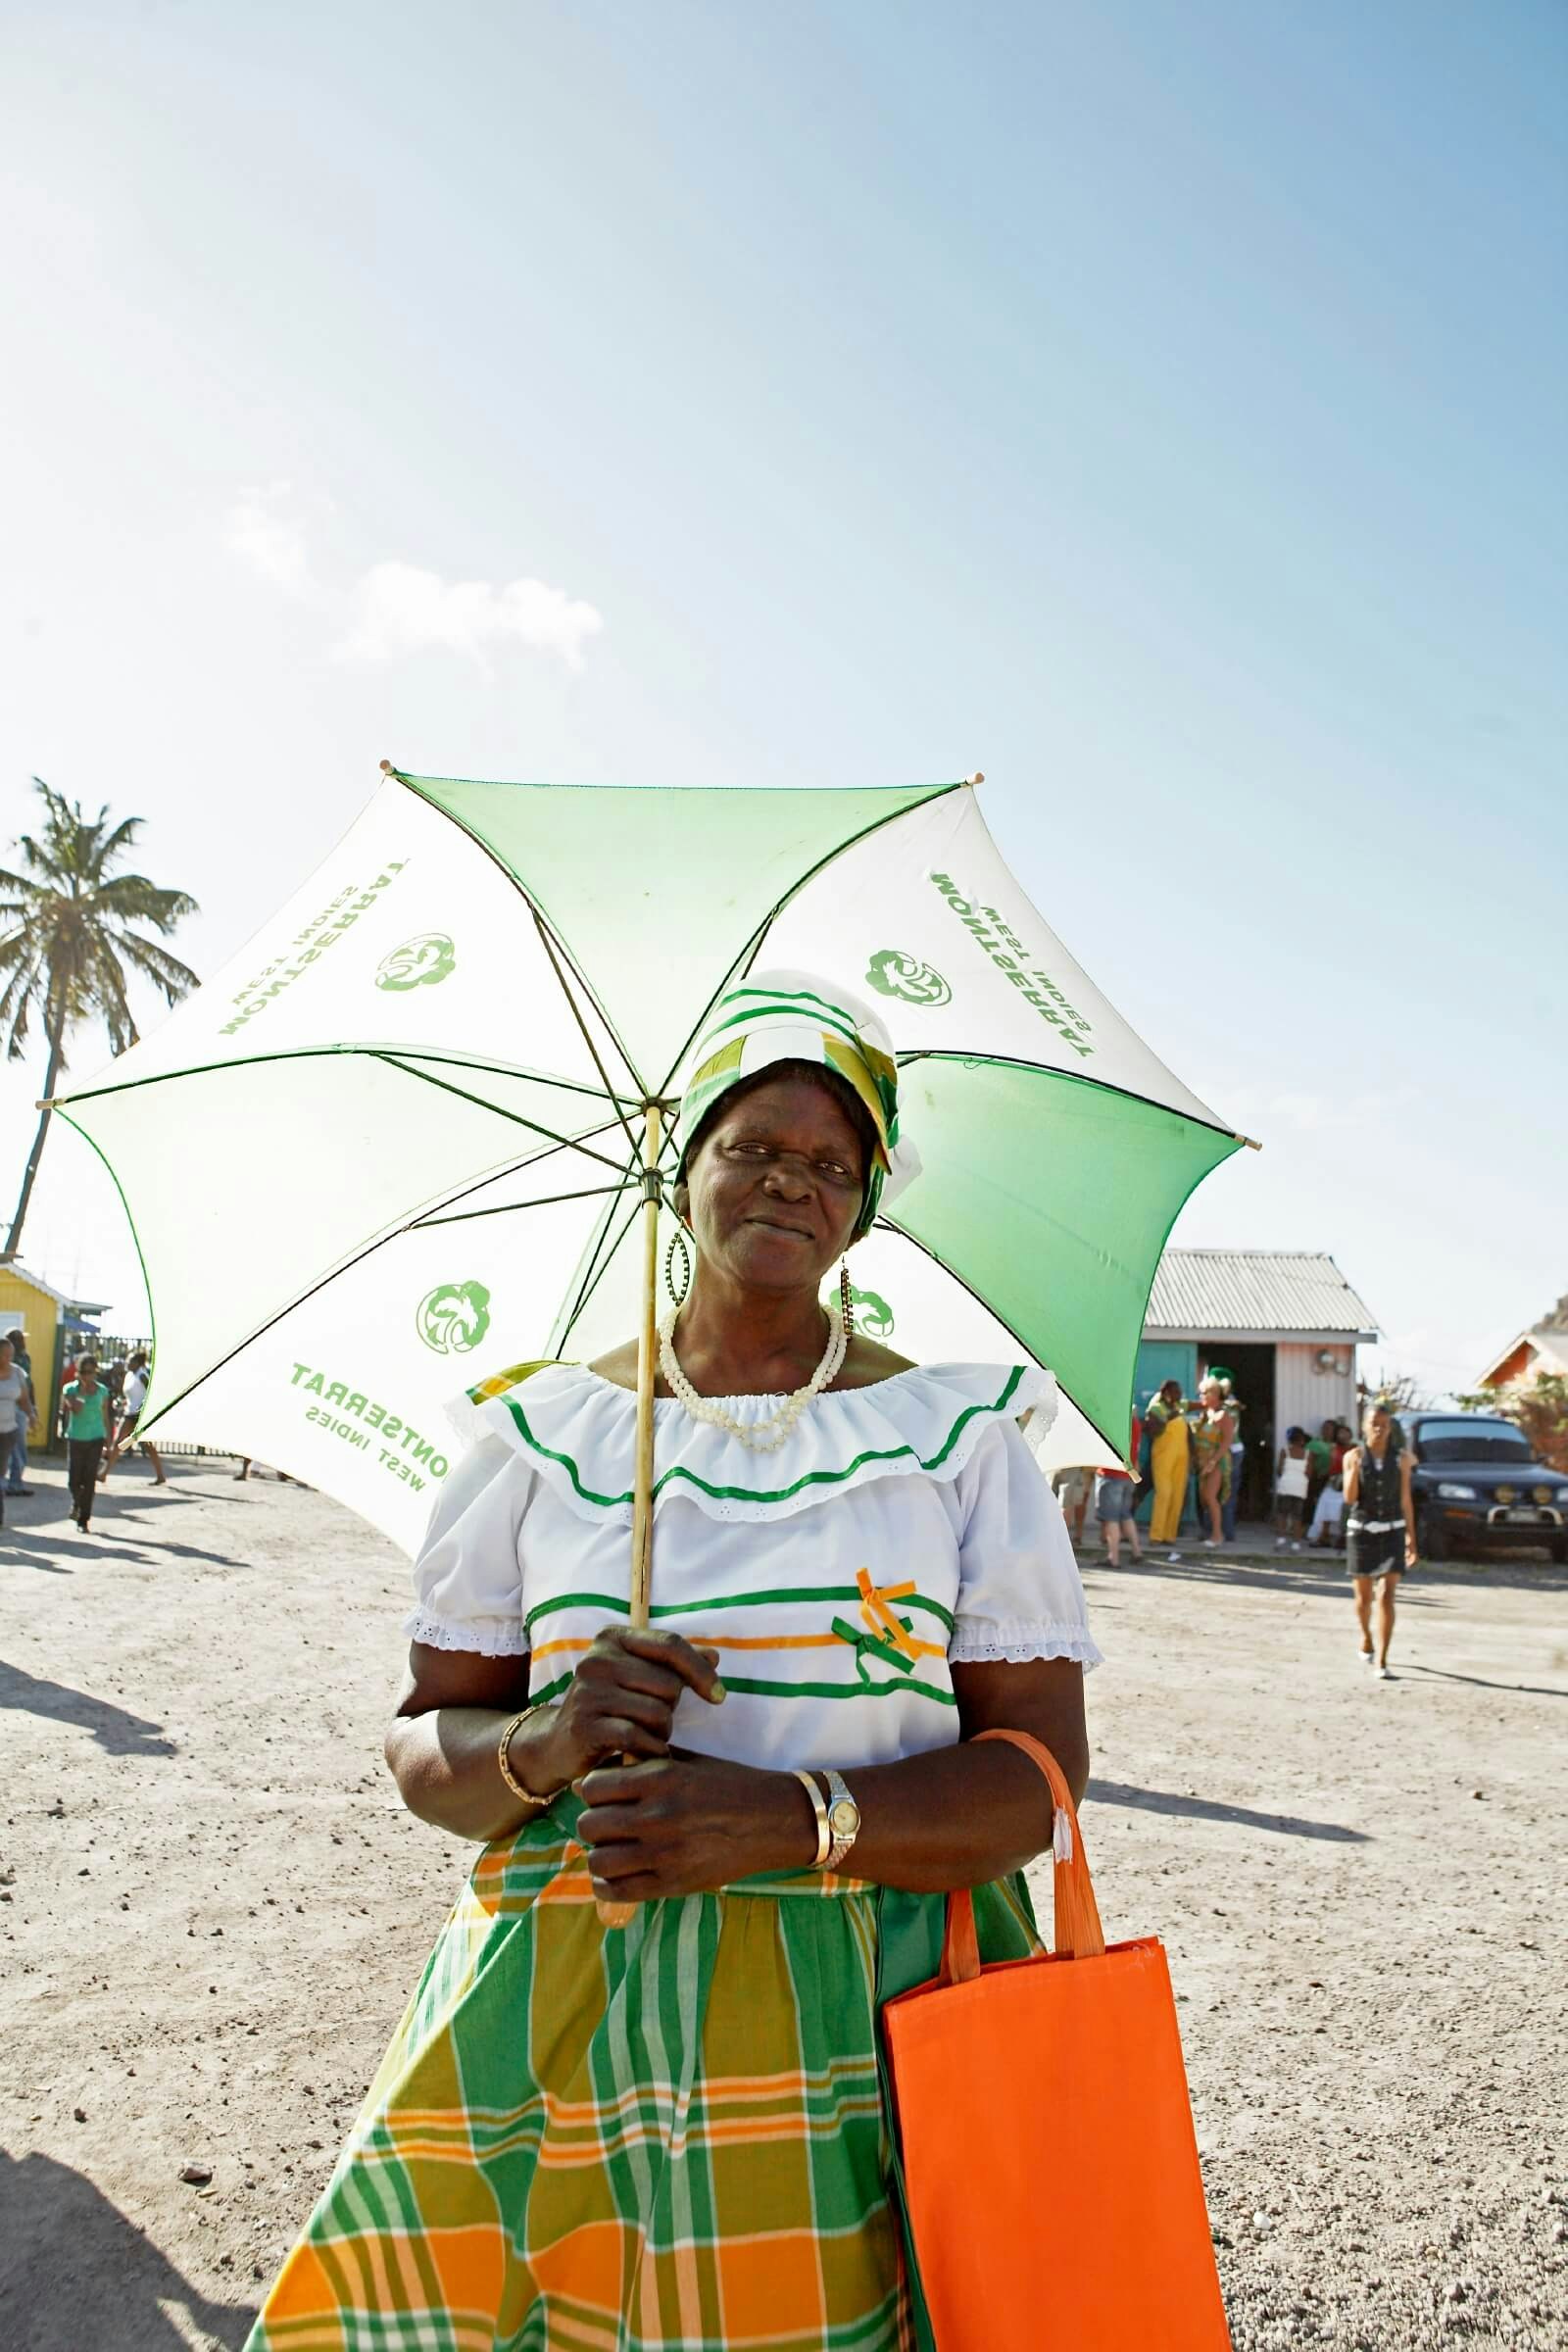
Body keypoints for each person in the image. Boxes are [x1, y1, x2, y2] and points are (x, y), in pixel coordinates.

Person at [245, 967, 1099, 2348]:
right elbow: (424, 1752)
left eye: (833, 1161)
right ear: (682, 1168)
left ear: (867, 1204)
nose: (792, 1182)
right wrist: (550, 1740)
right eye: (754, 1145)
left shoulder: (957, 1440)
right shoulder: (542, 1435)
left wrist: (780, 1820)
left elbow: (1040, 1778)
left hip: (860, 2017)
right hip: (562, 1999)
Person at [1344, 1400, 1416, 1678]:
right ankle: (1366, 1637)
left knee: (1387, 1593)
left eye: (1384, 1425)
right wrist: (1354, 1468)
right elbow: (1349, 1499)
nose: (1379, 1429)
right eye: (1374, 1423)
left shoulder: (1401, 1459)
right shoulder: (1353, 1456)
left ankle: (1383, 1660)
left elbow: (1405, 1499)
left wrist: (1412, 1538)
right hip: (1361, 1529)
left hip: (1392, 1529)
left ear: (1390, 1429)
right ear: (1363, 1425)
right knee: (1363, 1599)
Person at [100, 1350, 168, 1485]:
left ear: (137, 1363)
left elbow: (151, 1391)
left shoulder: (142, 1375)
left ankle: (160, 1475)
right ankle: (104, 1474)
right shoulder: (129, 1375)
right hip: (129, 1413)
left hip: (139, 1415)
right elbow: (129, 1393)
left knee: (146, 1446)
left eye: (130, 1360)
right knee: (120, 1443)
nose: (127, 1363)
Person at [61, 1354, 112, 1531]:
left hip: (96, 1438)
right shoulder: (70, 1390)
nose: (86, 1376)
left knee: (89, 1480)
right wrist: (82, 1391)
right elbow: (77, 1409)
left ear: (95, 1372)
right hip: (76, 1438)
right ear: (78, 1372)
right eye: (83, 1372)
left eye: (90, 1372)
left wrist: (109, 1441)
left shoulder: (103, 1391)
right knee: (74, 1480)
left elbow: (105, 1416)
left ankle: (83, 1519)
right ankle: (77, 1502)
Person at [1147, 1379, 1193, 1549]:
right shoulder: (1156, 1408)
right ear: (1166, 1393)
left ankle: (1169, 1535)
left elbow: (1196, 1405)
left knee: (1177, 1496)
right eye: (1176, 1391)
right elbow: (1151, 1431)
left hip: (1181, 1457)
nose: (1179, 1394)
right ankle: (1156, 1536)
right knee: (1164, 1494)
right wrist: (1168, 1418)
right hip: (1163, 1457)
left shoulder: (1180, 1406)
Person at [1193, 1377, 1235, 1548]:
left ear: (1214, 1394)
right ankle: (1210, 1532)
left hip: (1217, 1462)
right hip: (1203, 1462)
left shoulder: (1223, 1415)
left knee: (1211, 1498)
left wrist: (1212, 1462)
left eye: (1203, 1393)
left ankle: (1218, 1535)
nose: (1200, 1396)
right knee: (1204, 1500)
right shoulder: (1205, 1414)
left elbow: (1226, 1442)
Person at [0, 1337, 36, 1527]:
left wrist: (31, 1415)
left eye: (10, 1355)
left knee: (0, 1471)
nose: (8, 1358)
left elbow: (23, 1398)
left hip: (8, 1430)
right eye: (4, 1355)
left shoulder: (17, 1373)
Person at [1095, 1463, 1144, 1567]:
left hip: (1110, 1474)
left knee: (1111, 1518)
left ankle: (1114, 1558)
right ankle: (1137, 1552)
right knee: (1126, 1515)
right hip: (1128, 1475)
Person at [4, 1328, 34, 1495]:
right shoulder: (7, 1361)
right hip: (9, 1406)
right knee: (10, 1447)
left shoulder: (25, 1358)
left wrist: (32, 1408)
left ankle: (16, 1481)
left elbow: (29, 1384)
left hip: (21, 1406)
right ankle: (11, 1483)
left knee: (19, 1447)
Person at [1273, 1427, 1309, 1549]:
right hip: (1300, 1487)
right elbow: (1309, 1472)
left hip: (1286, 1485)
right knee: (1297, 1516)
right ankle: (1296, 1543)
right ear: (1302, 1440)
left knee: (1282, 1513)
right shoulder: (1308, 1454)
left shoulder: (1285, 1451)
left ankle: (1281, 1538)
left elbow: (1279, 1470)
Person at [1051, 1461, 1093, 1547]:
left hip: (1072, 1465)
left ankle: (1068, 1538)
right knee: (1065, 1504)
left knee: (1069, 1503)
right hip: (1065, 1464)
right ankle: (1061, 1540)